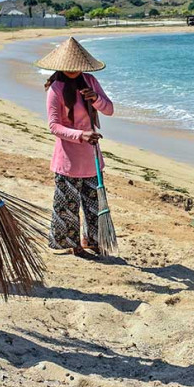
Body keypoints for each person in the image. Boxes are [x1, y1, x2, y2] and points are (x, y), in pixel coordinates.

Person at [35, 37, 113, 257]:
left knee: (94, 206)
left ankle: (95, 241)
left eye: (76, 66)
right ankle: (71, 245)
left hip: (92, 159)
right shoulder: (55, 88)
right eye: (68, 66)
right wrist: (81, 135)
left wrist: (96, 98)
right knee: (67, 208)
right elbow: (54, 126)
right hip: (67, 160)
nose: (72, 70)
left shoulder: (90, 82)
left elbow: (109, 110)